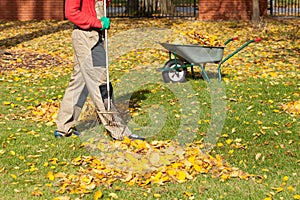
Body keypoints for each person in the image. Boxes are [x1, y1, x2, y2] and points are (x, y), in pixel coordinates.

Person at [54, 0, 144, 141]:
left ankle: (64, 128)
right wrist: (99, 23)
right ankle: (119, 131)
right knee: (101, 84)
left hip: (94, 36)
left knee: (79, 83)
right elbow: (71, 12)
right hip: (87, 37)